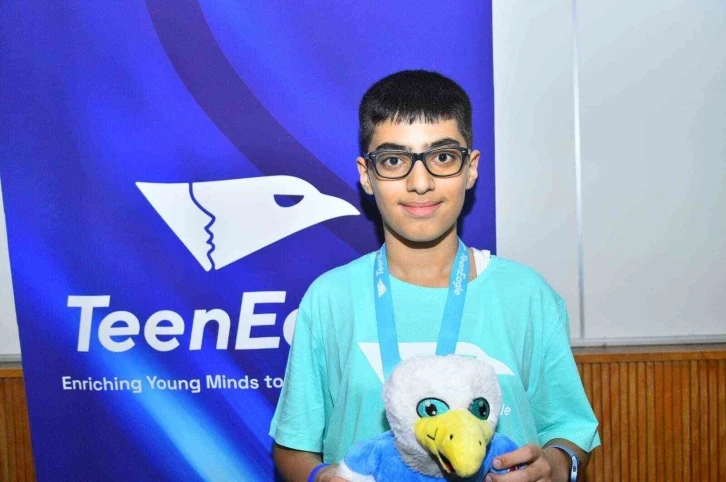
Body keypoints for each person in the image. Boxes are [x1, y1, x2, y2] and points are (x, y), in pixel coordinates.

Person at [269, 70, 600, 482]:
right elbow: (293, 448)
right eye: (394, 160)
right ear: (367, 175)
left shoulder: (527, 295)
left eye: (442, 157)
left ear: (471, 168)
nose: (420, 183)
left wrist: (557, 465)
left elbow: (570, 431)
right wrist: (321, 478)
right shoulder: (331, 298)